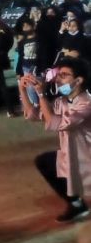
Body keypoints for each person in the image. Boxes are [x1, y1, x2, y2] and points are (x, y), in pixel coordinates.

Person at [20, 57, 91, 222]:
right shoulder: (61, 101)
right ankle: (76, 204)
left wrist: (41, 93)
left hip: (86, 158)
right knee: (44, 161)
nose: (58, 79)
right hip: (73, 155)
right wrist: (23, 89)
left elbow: (55, 122)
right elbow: (33, 115)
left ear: (79, 80)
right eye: (58, 74)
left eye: (64, 75)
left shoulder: (87, 104)